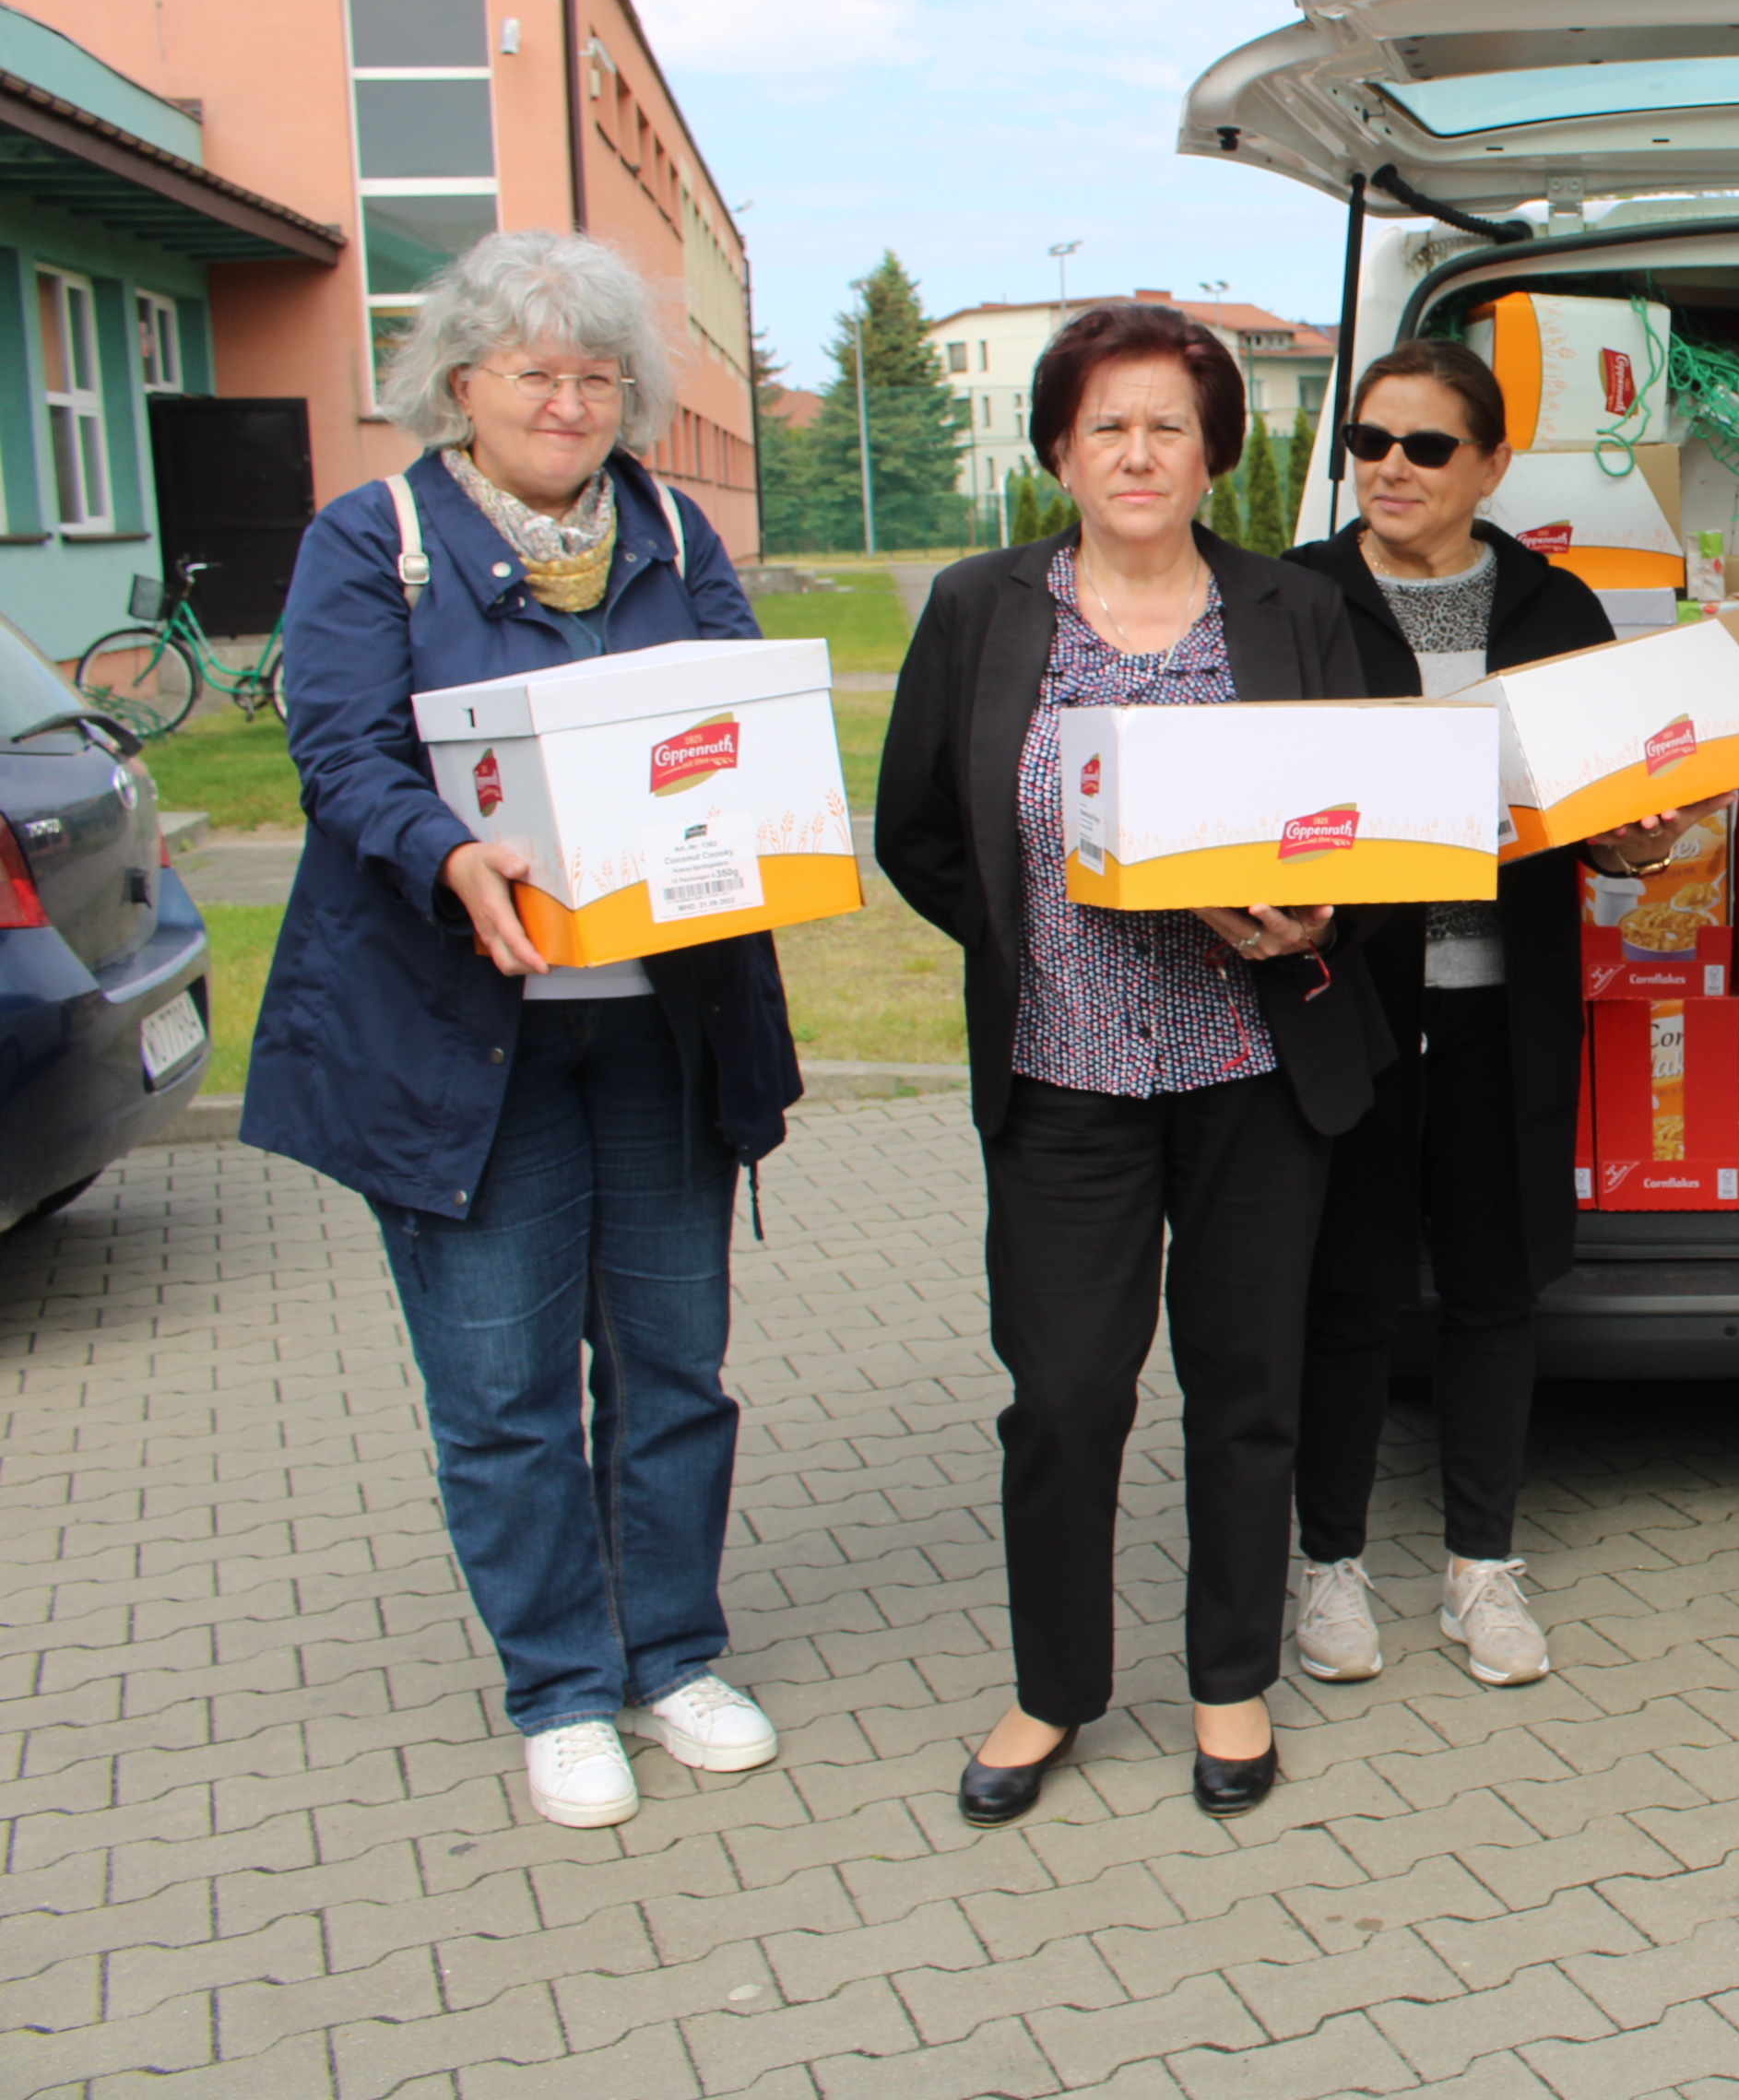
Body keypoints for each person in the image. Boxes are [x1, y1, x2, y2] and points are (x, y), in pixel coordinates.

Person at [243, 230, 799, 1831]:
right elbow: (341, 755)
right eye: (535, 372)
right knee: (502, 1388)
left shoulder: (672, 530)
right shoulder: (373, 539)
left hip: (660, 1029)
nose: (568, 403)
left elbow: (743, 721)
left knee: (674, 1366)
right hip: (462, 1048)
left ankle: (672, 1655)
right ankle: (560, 1684)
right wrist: (448, 853)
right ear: (460, 383)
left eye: (597, 376)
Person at [877, 301, 1396, 1826]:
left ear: (1215, 451)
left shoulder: (1294, 609)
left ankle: (1230, 1679)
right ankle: (1054, 1690)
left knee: (1246, 1386)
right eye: (1107, 424)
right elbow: (920, 829)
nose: (1138, 451)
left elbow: (1373, 812)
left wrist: (1316, 916)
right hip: (1064, 1071)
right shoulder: (979, 609)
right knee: (1062, 1395)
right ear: (1059, 448)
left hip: (1254, 1069)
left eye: (1170, 423)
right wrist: (1031, 929)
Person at [1284, 340, 1718, 1689]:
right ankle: (1330, 1564)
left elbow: (1602, 821)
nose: (1390, 468)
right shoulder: (1294, 597)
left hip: (1499, 1011)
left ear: (1490, 465)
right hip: (1347, 1008)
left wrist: (1641, 841)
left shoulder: (1554, 604)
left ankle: (1482, 1566)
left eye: (1425, 446)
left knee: (1490, 1290)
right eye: (1368, 442)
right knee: (1345, 1294)